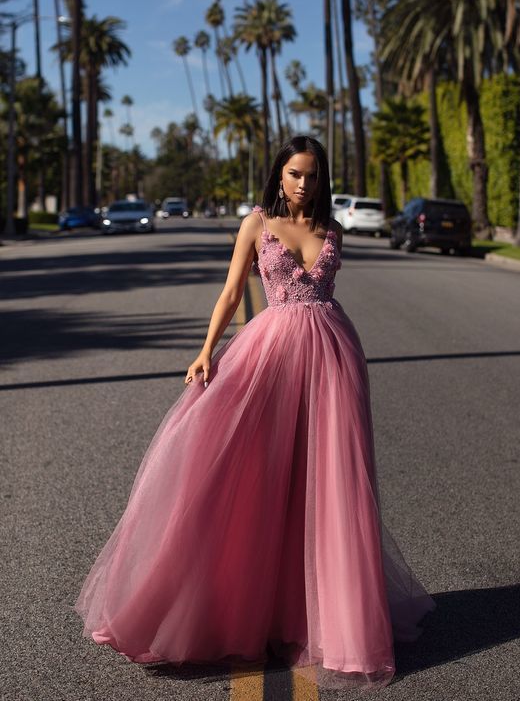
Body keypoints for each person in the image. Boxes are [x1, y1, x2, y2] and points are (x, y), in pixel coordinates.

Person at [74, 135, 435, 691]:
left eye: (313, 175)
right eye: (294, 173)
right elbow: (230, 293)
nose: (303, 184)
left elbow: (324, 295)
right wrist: (204, 350)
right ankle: (230, 606)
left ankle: (324, 620)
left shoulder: (331, 231)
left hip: (334, 361)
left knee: (325, 487)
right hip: (269, 355)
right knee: (251, 475)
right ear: (278, 174)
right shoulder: (256, 225)